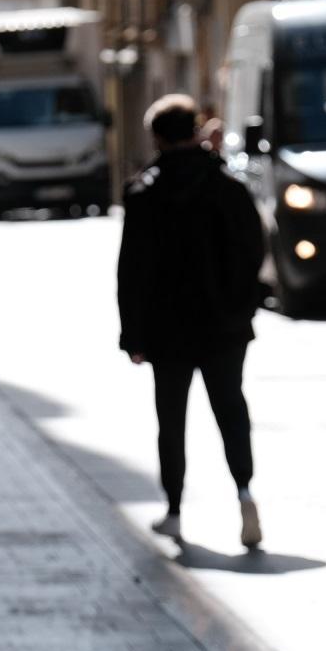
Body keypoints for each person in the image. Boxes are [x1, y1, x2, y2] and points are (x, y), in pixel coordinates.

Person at [117, 94, 266, 547]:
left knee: (171, 419)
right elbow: (254, 251)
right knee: (231, 408)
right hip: (225, 325)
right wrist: (244, 305)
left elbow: (132, 271)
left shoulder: (144, 194)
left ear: (158, 137)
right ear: (195, 130)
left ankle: (175, 510)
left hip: (168, 329)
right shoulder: (228, 187)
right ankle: (244, 492)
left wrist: (133, 333)